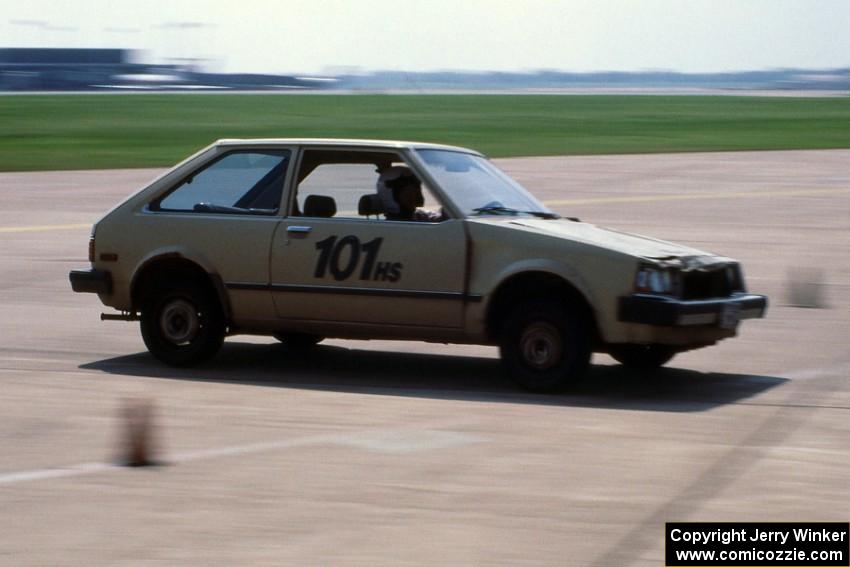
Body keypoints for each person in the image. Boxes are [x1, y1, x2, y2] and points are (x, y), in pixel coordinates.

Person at [376, 166, 445, 222]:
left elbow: (438, 219)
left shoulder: (418, 216)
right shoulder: (395, 225)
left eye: (416, 190)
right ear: (391, 195)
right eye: (408, 193)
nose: (415, 195)